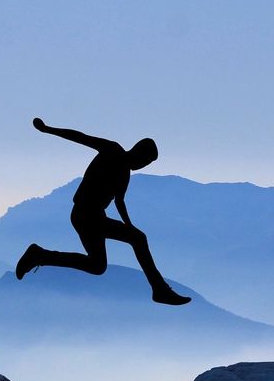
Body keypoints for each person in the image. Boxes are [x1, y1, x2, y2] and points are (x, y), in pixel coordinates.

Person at [15, 117, 190, 306]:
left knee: (98, 266)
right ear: (139, 153)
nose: (143, 166)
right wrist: (47, 129)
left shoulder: (125, 174)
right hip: (84, 215)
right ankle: (159, 289)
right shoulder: (112, 150)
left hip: (95, 217)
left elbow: (119, 201)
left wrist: (129, 226)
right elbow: (81, 137)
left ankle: (40, 255)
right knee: (137, 240)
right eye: (145, 161)